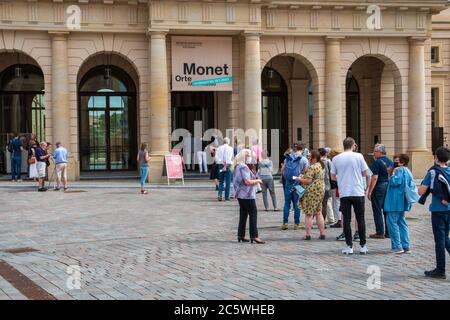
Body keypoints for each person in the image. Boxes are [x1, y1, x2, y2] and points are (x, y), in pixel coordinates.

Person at [331, 137, 370, 255]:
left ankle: (349, 246)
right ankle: (363, 245)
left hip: (344, 192)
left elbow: (333, 176)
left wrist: (342, 178)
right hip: (357, 191)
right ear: (353, 145)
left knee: (346, 220)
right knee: (360, 218)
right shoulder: (359, 156)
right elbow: (365, 173)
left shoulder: (336, 158)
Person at [419, 147, 450, 279]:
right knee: (445, 238)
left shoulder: (433, 172)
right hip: (449, 209)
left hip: (438, 210)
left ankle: (440, 270)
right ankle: (440, 269)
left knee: (440, 240)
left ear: (436, 157)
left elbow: (421, 191)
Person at [233, 149, 265, 244]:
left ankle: (241, 235)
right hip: (247, 194)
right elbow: (247, 181)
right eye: (248, 156)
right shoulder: (243, 167)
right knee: (253, 213)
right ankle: (254, 236)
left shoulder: (237, 166)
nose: (250, 158)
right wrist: (258, 181)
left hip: (240, 194)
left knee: (243, 214)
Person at [384, 154, 414, 254]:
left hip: (395, 201)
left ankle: (397, 246)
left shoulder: (400, 170)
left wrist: (391, 174)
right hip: (402, 201)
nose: (395, 162)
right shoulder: (408, 171)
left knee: (392, 222)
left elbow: (395, 182)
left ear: (401, 161)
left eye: (397, 160)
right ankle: (405, 245)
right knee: (401, 222)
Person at [297, 150, 326, 240]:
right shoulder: (320, 166)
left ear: (314, 157)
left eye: (309, 156)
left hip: (312, 192)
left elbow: (308, 181)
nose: (308, 157)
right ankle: (322, 233)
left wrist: (299, 179)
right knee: (318, 212)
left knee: (309, 213)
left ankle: (308, 234)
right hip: (320, 191)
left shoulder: (312, 167)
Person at [367, 144, 394, 239]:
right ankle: (388, 232)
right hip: (388, 185)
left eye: (375, 151)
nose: (373, 153)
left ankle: (380, 232)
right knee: (386, 209)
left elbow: (374, 177)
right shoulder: (390, 161)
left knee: (377, 209)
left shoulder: (377, 162)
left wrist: (370, 191)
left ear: (380, 152)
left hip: (379, 186)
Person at [281, 143, 309, 230]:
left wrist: (287, 178)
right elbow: (306, 172)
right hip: (298, 184)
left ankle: (285, 223)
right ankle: (296, 224)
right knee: (297, 204)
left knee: (287, 203)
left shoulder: (288, 158)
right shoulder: (304, 159)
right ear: (303, 150)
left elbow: (283, 170)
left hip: (288, 183)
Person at [319, 148, 335, 225]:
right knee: (327, 202)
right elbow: (332, 173)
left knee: (320, 203)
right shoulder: (328, 161)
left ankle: (320, 220)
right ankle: (330, 218)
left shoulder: (317, 162)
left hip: (319, 185)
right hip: (327, 184)